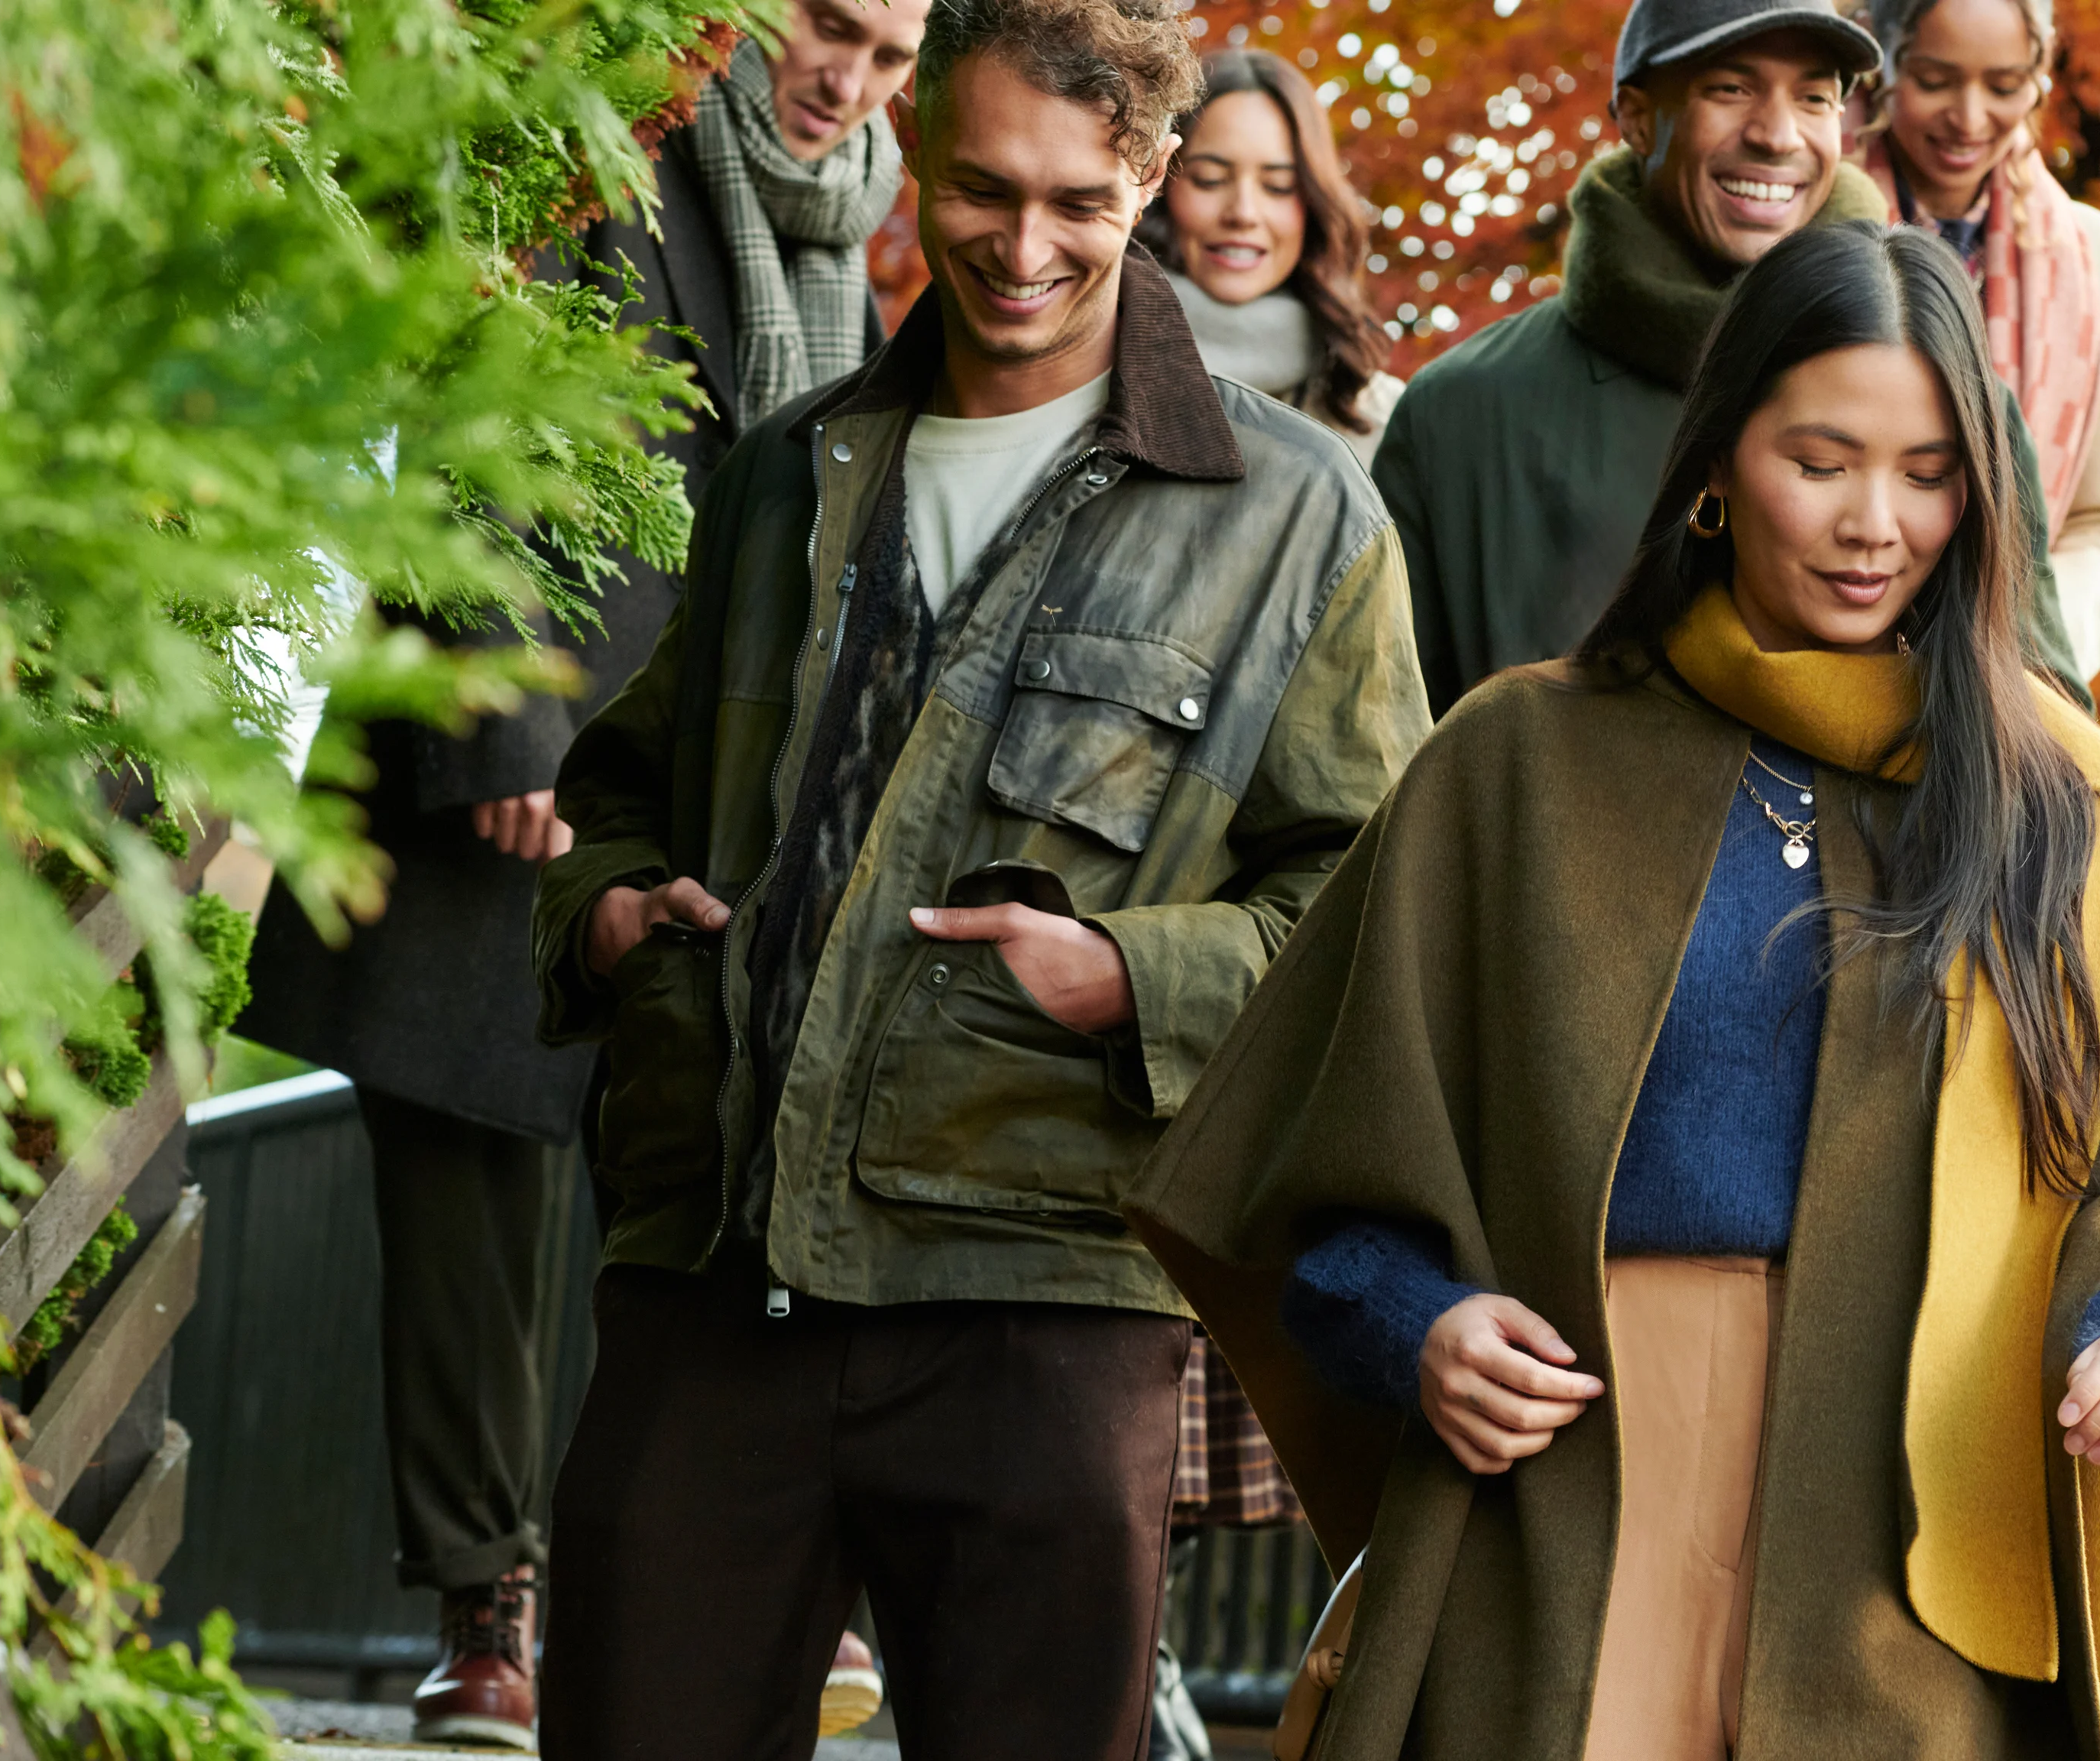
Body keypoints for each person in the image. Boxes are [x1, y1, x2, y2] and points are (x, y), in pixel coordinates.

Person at [1128, 224, 2100, 1761]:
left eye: (1928, 473)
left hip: (1903, 1578)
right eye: (1818, 460)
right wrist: (1414, 1328)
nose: (1873, 523)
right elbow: (1297, 1194)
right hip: (1547, 1531)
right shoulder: (1511, 768)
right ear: (1713, 464)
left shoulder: (2073, 821)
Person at [525, 0, 1428, 1750]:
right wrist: (615, 920)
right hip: (716, 1278)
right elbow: (620, 786)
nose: (1024, 247)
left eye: (1081, 202)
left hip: (1046, 1313)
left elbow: (1366, 928)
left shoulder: (1302, 519)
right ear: (913, 163)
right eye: (979, 190)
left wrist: (1130, 976)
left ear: (1150, 176)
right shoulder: (792, 469)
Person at [233, 0, 926, 1746]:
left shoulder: (876, 229)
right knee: (464, 1169)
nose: (851, 79)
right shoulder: (604, 139)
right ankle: (487, 1604)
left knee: (726, 1169)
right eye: (833, 28)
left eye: (896, 56)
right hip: (526, 730)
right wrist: (505, 717)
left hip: (733, 781)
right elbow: (477, 416)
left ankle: (754, 1570)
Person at [1370, 0, 2076, 721]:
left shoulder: (1961, 405)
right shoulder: (1460, 417)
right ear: (1638, 117)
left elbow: (2047, 727)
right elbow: (1387, 768)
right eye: (1730, 89)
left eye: (1814, 98)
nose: (1777, 135)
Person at [1857, 0, 2100, 677]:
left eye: (2003, 87)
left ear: (2039, 77)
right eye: (1936, 81)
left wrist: (2028, 656)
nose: (1969, 119)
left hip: (2010, 698)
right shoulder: (1800, 225)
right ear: (1883, 61)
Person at [1146, 49, 1404, 462]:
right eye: (1210, 180)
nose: (1243, 213)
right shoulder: (1073, 371)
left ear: (1315, 205)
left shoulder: (1381, 415)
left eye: (1279, 186)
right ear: (1161, 187)